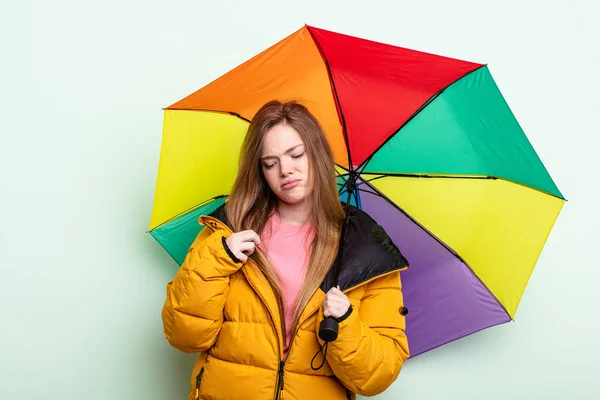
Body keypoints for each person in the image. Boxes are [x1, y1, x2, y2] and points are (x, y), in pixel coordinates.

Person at [162, 100, 410, 400]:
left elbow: (377, 377)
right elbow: (184, 336)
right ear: (260, 170)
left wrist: (345, 323)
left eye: (296, 154)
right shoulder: (227, 231)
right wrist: (216, 261)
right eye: (270, 163)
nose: (285, 170)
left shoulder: (364, 247)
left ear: (316, 154)